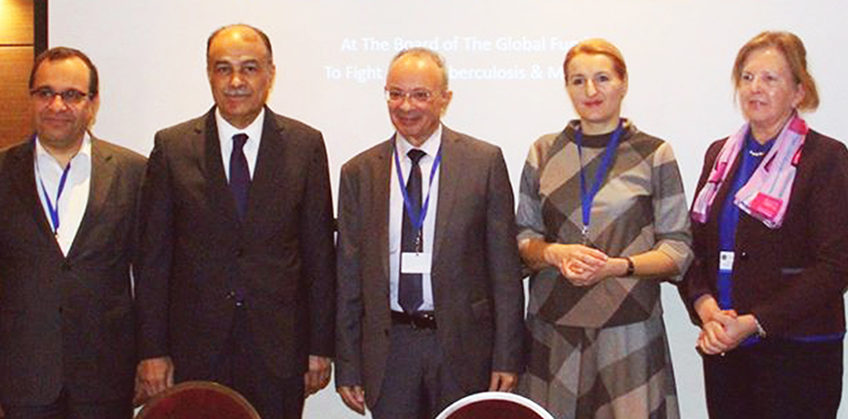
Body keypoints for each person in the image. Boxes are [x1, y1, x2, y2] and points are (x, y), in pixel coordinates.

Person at [134, 24, 336, 418]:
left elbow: (318, 255)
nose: (236, 81)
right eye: (223, 68)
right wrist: (152, 350)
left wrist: (320, 346)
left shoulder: (305, 145)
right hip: (195, 348)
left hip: (279, 350)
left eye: (249, 68)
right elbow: (153, 259)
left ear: (270, 74)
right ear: (209, 74)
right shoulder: (172, 147)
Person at [335, 47, 525, 418]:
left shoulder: (483, 163)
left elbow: (504, 271)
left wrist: (507, 355)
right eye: (395, 94)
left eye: (420, 94)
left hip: (463, 346)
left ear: (444, 99)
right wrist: (348, 364)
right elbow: (348, 276)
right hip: (390, 349)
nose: (406, 106)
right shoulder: (359, 172)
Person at [515, 38, 692, 419]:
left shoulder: (654, 154)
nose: (590, 91)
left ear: (623, 83)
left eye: (602, 78)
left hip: (628, 327)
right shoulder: (543, 152)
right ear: (567, 87)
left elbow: (678, 248)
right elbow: (522, 238)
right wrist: (553, 253)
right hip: (554, 328)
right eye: (578, 81)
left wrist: (617, 266)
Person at [683, 31, 848, 418]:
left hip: (799, 351)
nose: (755, 87)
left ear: (798, 92)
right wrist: (706, 308)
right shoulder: (719, 155)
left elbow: (836, 265)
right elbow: (692, 248)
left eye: (770, 78)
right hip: (725, 344)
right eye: (747, 77)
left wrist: (755, 323)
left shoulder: (826, 157)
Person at [0, 47, 145, 418]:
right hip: (23, 376)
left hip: (106, 374)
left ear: (92, 103)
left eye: (71, 95)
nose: (56, 105)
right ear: (31, 98)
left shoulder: (133, 172)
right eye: (45, 93)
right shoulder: (2, 171)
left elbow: (150, 276)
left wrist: (151, 356)